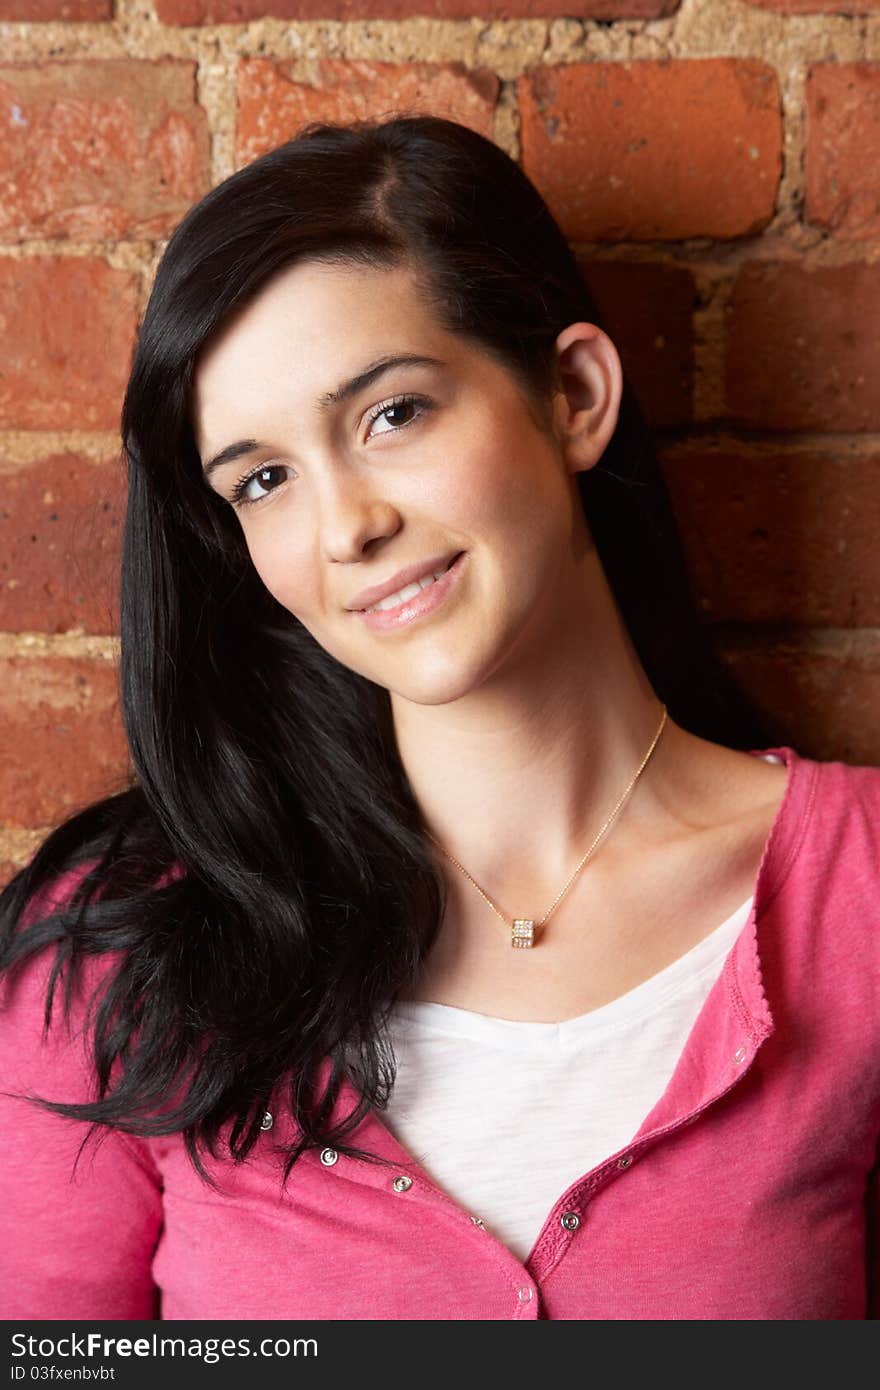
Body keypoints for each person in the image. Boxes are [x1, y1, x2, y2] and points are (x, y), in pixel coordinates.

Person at [0, 113, 878, 1322]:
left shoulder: (863, 891)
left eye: (392, 413)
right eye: (264, 479)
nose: (345, 525)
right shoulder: (122, 951)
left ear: (572, 395)